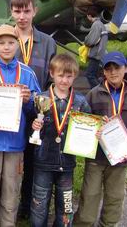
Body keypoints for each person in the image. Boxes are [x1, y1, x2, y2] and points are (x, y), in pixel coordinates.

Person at [0, 0, 57, 217]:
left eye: (27, 10)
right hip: (5, 117)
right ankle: (2, 207)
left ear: (35, 11)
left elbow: (51, 82)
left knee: (33, 163)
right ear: (11, 12)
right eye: (17, 11)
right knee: (7, 166)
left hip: (35, 116)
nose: (22, 16)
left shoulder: (47, 43)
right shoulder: (2, 39)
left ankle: (27, 207)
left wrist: (38, 101)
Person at [74, 51, 127, 227]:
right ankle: (83, 224)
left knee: (115, 197)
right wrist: (93, 131)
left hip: (121, 159)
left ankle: (108, 224)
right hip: (96, 158)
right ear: (104, 72)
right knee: (89, 195)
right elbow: (82, 122)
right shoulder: (94, 93)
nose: (113, 72)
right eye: (108, 69)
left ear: (125, 69)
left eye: (117, 68)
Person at [0, 24, 40, 227]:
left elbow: (37, 110)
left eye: (11, 43)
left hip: (15, 145)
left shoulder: (28, 74)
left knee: (11, 196)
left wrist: (29, 100)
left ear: (18, 45)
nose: (6, 47)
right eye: (1, 43)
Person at [30, 53, 91, 227]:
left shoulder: (80, 102)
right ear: (52, 74)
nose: (64, 80)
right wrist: (33, 127)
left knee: (65, 206)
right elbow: (28, 127)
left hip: (67, 163)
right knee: (39, 204)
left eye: (69, 76)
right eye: (61, 75)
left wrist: (95, 132)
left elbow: (88, 128)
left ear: (75, 76)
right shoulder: (41, 99)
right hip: (43, 161)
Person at [84, 6, 108, 88]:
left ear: (89, 16)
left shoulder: (96, 25)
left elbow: (90, 41)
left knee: (89, 75)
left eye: (87, 16)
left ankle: (100, 92)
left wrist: (85, 40)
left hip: (96, 55)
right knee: (95, 75)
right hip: (100, 54)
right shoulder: (101, 24)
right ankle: (97, 92)